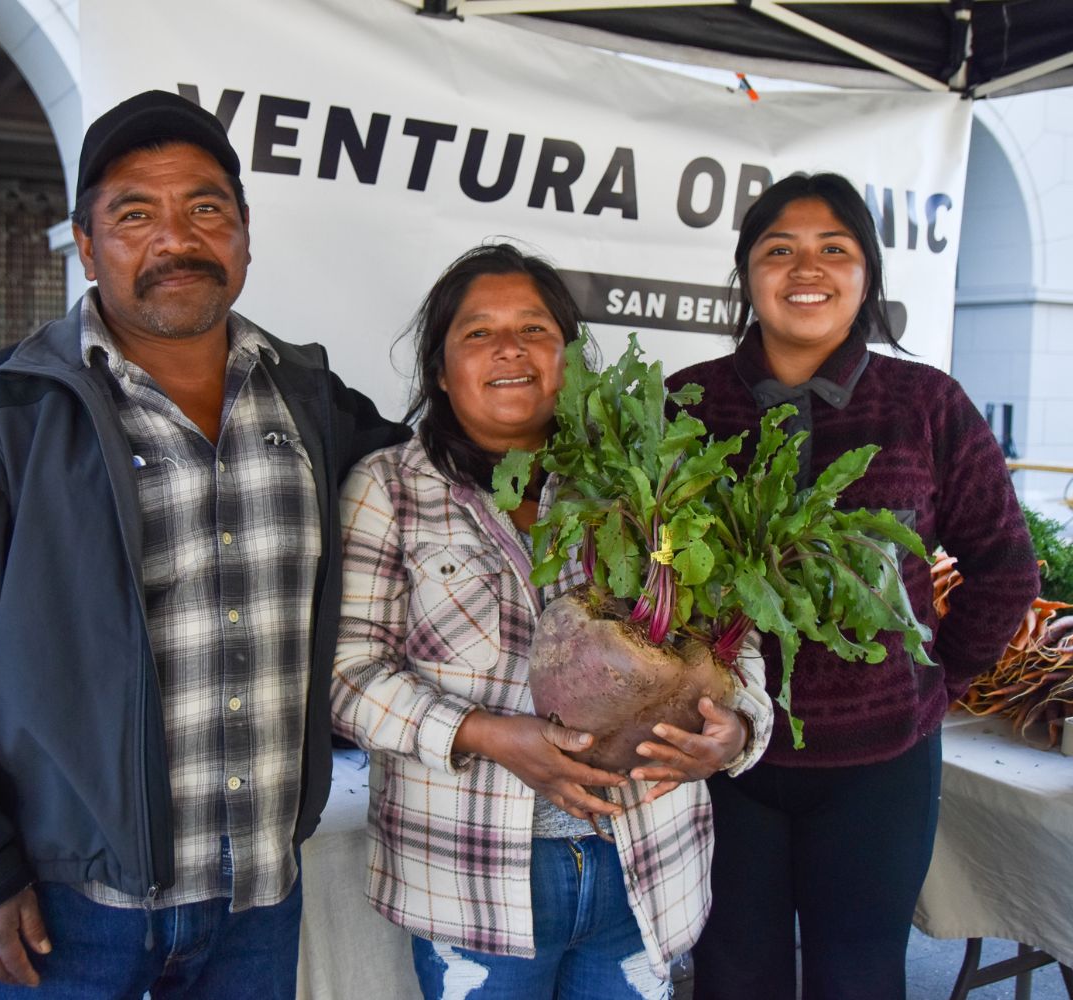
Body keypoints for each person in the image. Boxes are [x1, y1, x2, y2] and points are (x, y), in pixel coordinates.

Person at [0, 90, 405, 998]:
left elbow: (440, 498)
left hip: (257, 899)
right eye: (133, 214)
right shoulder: (5, 411)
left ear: (242, 233)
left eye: (205, 208)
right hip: (72, 908)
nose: (175, 239)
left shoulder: (313, 402)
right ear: (85, 243)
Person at [331, 243, 775, 999]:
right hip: (474, 884)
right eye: (478, 332)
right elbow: (348, 677)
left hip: (643, 866)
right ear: (441, 369)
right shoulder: (389, 489)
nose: (509, 348)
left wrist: (737, 732)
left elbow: (740, 642)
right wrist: (488, 735)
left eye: (534, 329)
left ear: (568, 357)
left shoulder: (647, 478)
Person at [668, 173, 1039, 1000]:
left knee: (860, 976)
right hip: (725, 758)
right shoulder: (687, 402)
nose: (808, 268)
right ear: (747, 273)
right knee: (733, 975)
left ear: (866, 273)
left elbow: (1006, 566)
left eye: (834, 249)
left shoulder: (926, 403)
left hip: (881, 766)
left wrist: (936, 685)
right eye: (780, 250)